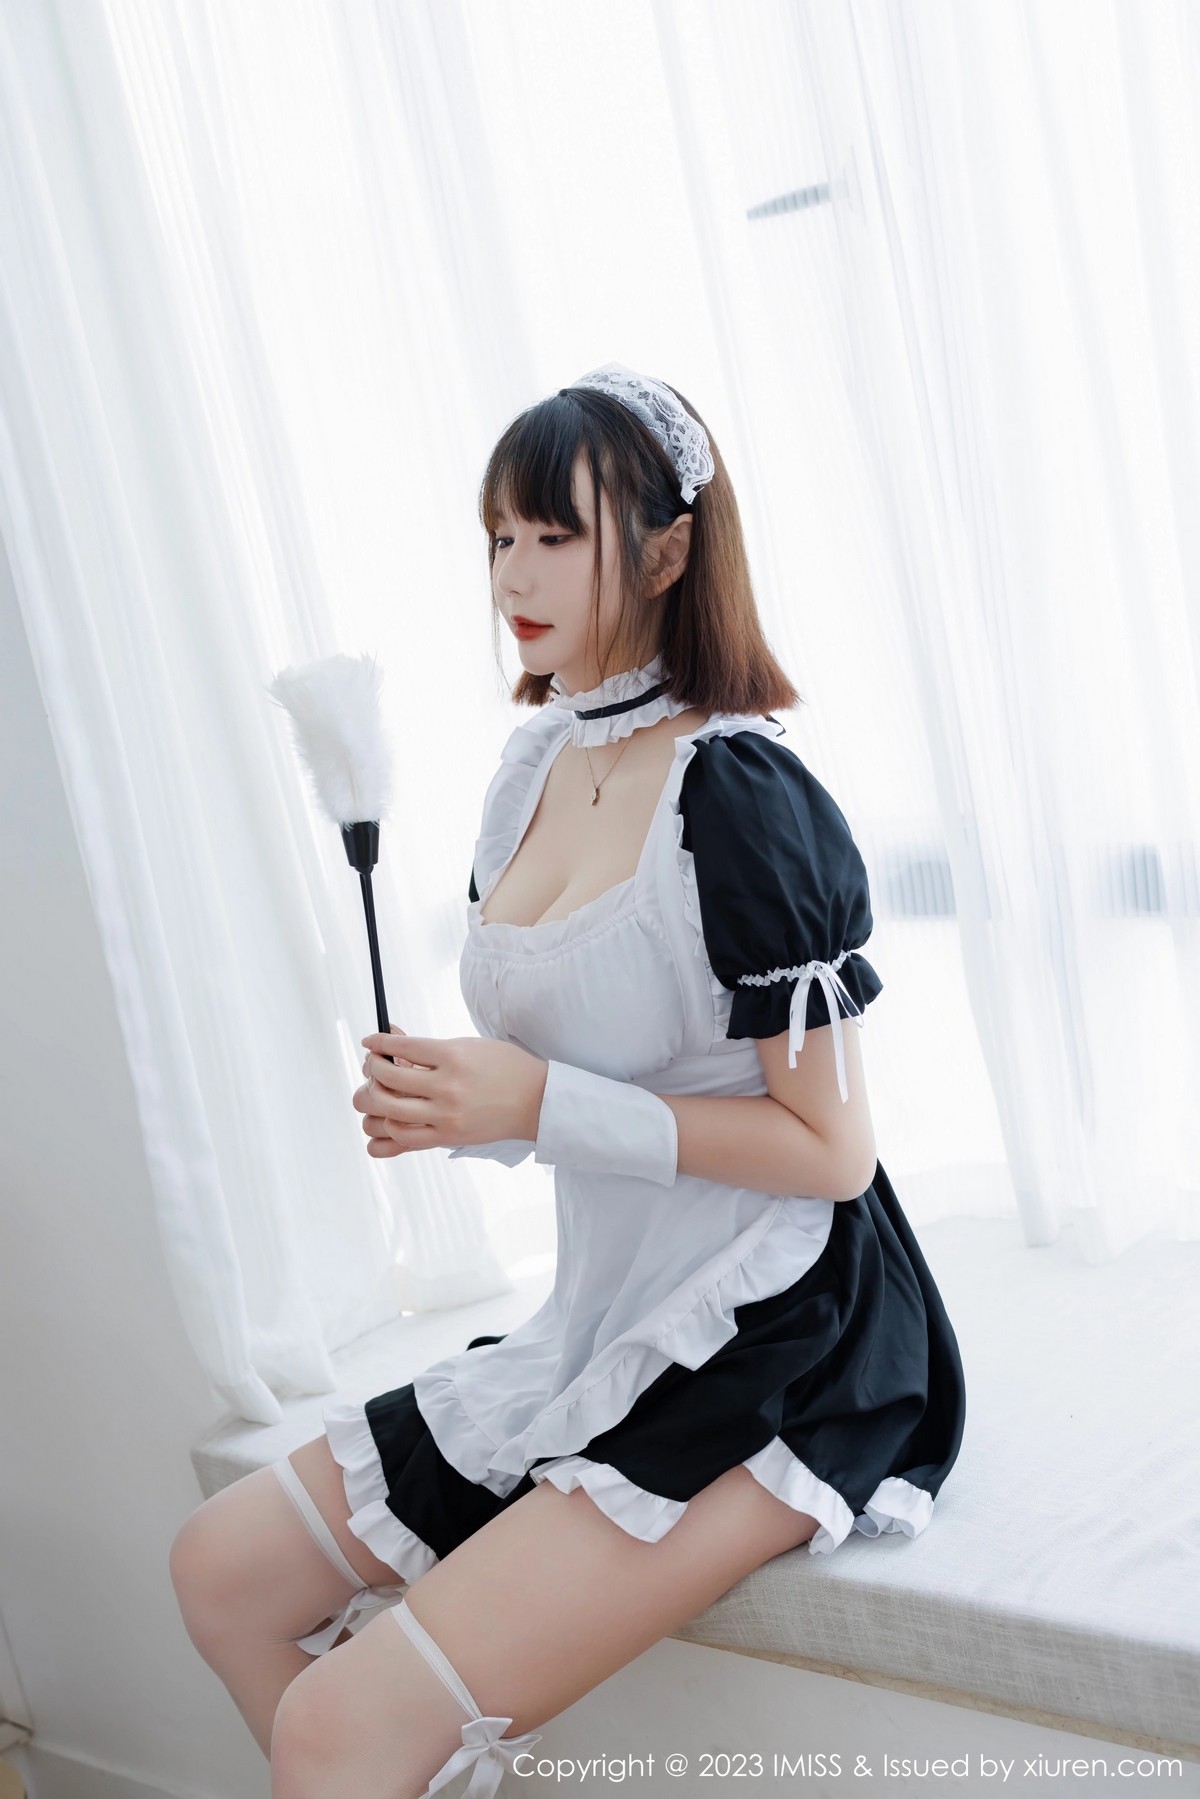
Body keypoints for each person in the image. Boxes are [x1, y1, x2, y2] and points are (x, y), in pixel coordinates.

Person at [170, 362, 967, 1798]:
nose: (513, 576)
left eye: (556, 535)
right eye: (499, 537)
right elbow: (577, 1061)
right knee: (218, 1573)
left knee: (336, 1730)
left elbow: (831, 1151)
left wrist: (531, 1107)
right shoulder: (535, 766)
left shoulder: (743, 796)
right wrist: (461, 1099)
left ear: (666, 553)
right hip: (606, 1299)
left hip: (785, 1325)